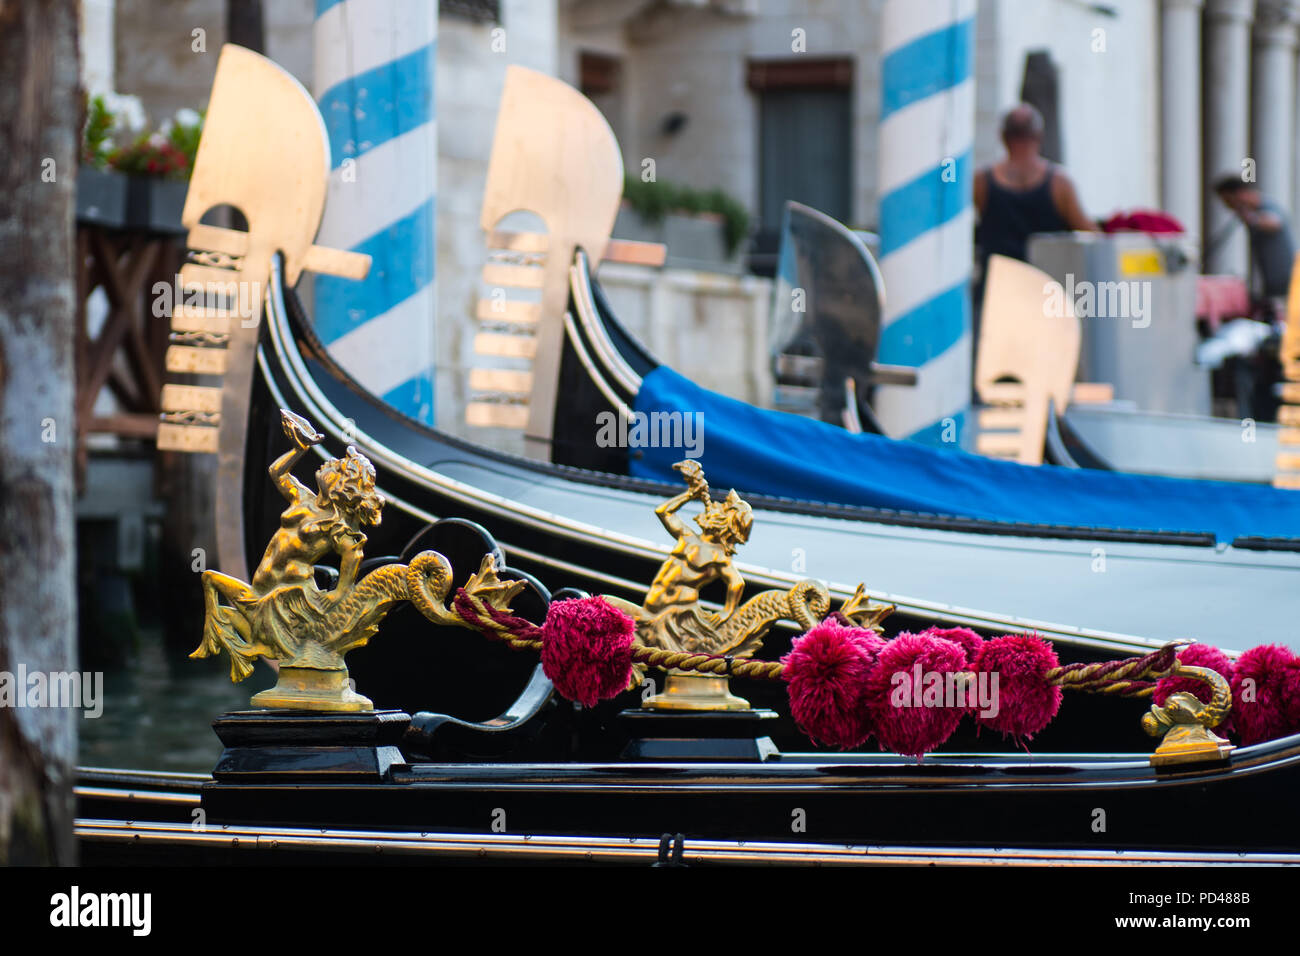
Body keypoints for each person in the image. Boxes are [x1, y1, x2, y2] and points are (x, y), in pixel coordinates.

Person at [972, 104, 1097, 343]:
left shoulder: (982, 182)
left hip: (997, 295)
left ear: (1003, 137)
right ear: (1039, 137)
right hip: (1045, 296)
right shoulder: (1059, 184)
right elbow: (1089, 235)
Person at [1211, 175, 1296, 300]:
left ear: (1240, 195)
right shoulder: (1256, 211)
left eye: (1229, 201)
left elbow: (1274, 223)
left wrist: (1251, 218)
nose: (1228, 207)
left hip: (1288, 279)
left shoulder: (1266, 206)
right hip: (1274, 281)